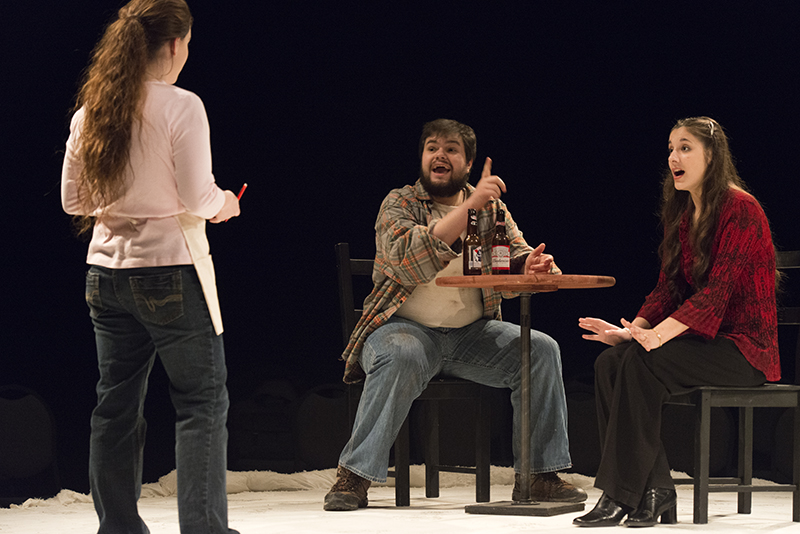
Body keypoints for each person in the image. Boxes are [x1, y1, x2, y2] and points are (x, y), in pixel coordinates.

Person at [324, 118, 587, 511]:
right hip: (402, 327)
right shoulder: (401, 203)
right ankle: (355, 476)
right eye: (432, 148)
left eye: (450, 149)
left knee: (542, 350)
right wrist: (470, 207)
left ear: (467, 164)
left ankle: (538, 475)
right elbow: (407, 259)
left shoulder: (490, 209)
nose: (439, 155)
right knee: (402, 355)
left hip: (470, 335)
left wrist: (529, 265)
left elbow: (513, 252)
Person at [61, 1, 241, 533]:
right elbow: (196, 194)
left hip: (106, 275)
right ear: (172, 45)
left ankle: (117, 527)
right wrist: (224, 203)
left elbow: (74, 201)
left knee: (115, 405)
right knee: (202, 400)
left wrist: (124, 200)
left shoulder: (92, 108)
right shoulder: (182, 105)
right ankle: (204, 528)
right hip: (168, 272)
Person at [575, 116, 779, 527]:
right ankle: (656, 491)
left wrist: (654, 337)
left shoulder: (742, 209)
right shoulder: (685, 214)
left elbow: (715, 294)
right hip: (705, 343)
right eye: (671, 148)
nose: (674, 157)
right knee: (611, 362)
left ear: (712, 155)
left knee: (639, 362)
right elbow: (668, 289)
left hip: (744, 349)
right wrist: (633, 330)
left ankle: (621, 494)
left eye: (685, 147)